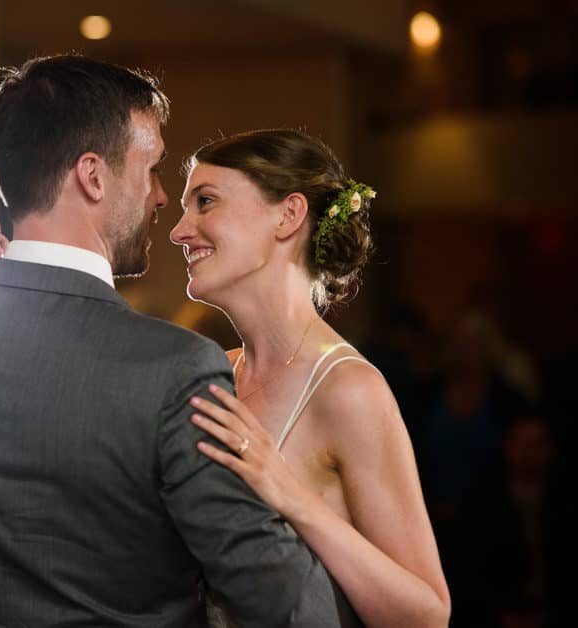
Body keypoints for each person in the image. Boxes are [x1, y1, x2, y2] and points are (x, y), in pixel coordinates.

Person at [0, 55, 340, 628]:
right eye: (151, 170)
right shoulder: (178, 368)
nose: (162, 198)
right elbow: (283, 602)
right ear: (93, 176)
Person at [170, 130, 451, 627]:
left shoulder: (349, 391)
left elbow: (426, 615)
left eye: (205, 202)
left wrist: (291, 496)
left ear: (288, 216)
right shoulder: (212, 371)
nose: (179, 231)